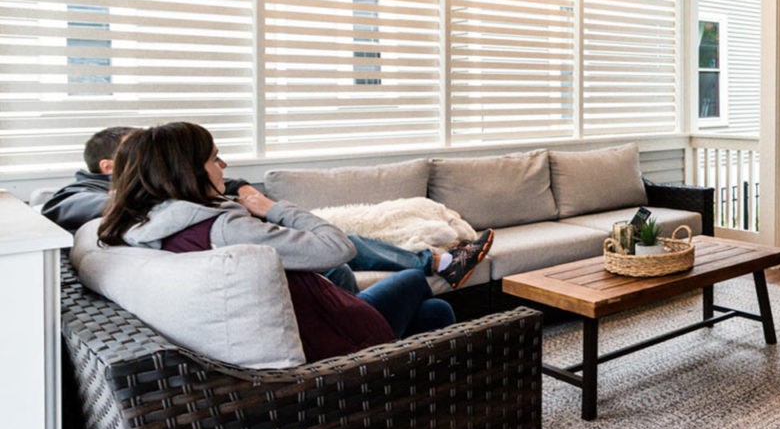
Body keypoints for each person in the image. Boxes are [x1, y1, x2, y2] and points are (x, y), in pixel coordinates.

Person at [97, 122, 455, 362]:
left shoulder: (145, 226)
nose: (223, 164)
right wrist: (272, 208)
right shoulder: (224, 228)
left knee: (434, 313)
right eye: (214, 157)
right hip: (333, 342)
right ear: (186, 170)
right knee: (416, 287)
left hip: (312, 324)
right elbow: (338, 247)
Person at [44, 125, 492, 289]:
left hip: (263, 230)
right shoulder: (76, 198)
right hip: (264, 233)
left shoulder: (168, 203)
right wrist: (263, 206)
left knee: (342, 257)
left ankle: (435, 259)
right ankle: (434, 261)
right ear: (110, 165)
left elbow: (231, 186)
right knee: (346, 250)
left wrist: (243, 196)